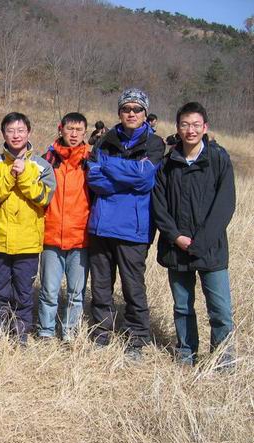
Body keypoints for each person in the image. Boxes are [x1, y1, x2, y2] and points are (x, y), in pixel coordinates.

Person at [152, 102, 235, 368]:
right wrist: (176, 237)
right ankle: (186, 354)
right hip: (176, 249)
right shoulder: (168, 163)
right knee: (183, 307)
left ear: (205, 127)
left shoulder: (218, 159)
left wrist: (201, 242)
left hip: (211, 249)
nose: (191, 130)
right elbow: (159, 206)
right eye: (185, 125)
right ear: (178, 128)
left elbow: (225, 204)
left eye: (196, 125)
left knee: (220, 310)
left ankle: (223, 361)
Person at [87, 88, 165, 359]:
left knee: (133, 287)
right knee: (100, 285)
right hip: (101, 225)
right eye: (126, 109)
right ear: (119, 112)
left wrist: (109, 166)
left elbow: (145, 178)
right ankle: (101, 332)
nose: (131, 113)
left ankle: (137, 337)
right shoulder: (104, 140)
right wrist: (128, 176)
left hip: (134, 229)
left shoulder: (154, 143)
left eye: (137, 109)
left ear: (145, 113)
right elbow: (94, 179)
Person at [0, 112, 56, 345]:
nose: (16, 135)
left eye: (20, 130)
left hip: (28, 242)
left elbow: (44, 198)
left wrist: (23, 175)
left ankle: (21, 334)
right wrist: (10, 176)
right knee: (0, 291)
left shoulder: (42, 166)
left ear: (29, 132)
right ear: (3, 134)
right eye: (10, 131)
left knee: (24, 292)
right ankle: (0, 332)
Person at [37, 112, 91, 343]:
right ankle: (46, 331)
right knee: (49, 291)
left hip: (80, 237)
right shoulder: (48, 160)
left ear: (85, 133)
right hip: (51, 235)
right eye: (70, 129)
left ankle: (70, 332)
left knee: (76, 293)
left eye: (79, 130)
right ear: (61, 129)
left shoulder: (91, 161)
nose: (74, 134)